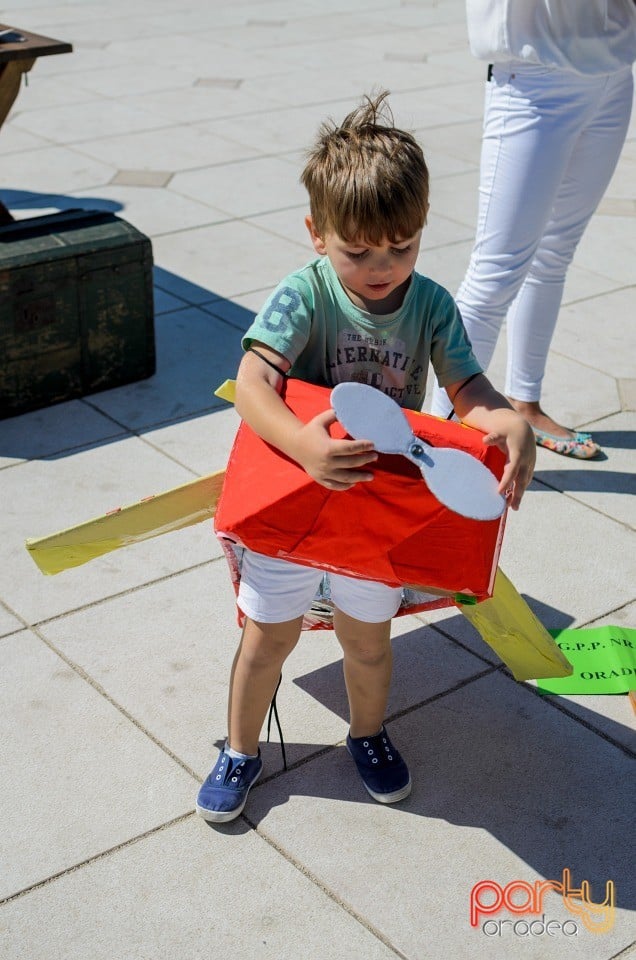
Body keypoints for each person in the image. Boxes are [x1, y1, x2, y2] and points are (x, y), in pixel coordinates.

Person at [196, 92, 536, 824]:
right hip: (293, 499)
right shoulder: (304, 295)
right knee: (267, 638)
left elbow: (466, 386)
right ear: (317, 233)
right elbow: (254, 383)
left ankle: (369, 733)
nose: (383, 266)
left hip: (375, 517)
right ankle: (240, 748)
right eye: (359, 250)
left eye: (402, 245)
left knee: (369, 642)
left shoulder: (432, 305)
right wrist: (302, 445)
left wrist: (504, 416)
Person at [431, 0, 636, 459]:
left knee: (555, 252)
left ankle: (525, 400)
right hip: (535, 75)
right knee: (494, 273)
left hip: (614, 70)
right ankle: (439, 443)